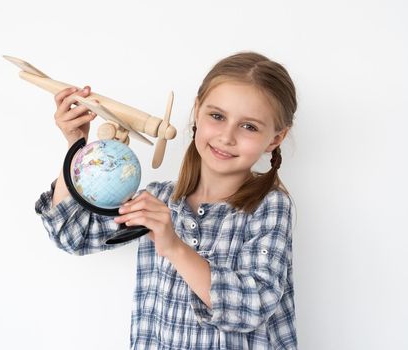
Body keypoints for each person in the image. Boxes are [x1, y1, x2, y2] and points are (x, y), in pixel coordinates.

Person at [35, 51, 298, 349]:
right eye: (217, 116)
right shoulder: (158, 200)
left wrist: (173, 245)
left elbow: (253, 306)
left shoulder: (270, 206)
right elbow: (72, 235)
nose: (227, 136)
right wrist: (76, 146)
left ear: (275, 138)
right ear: (197, 112)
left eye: (249, 126)